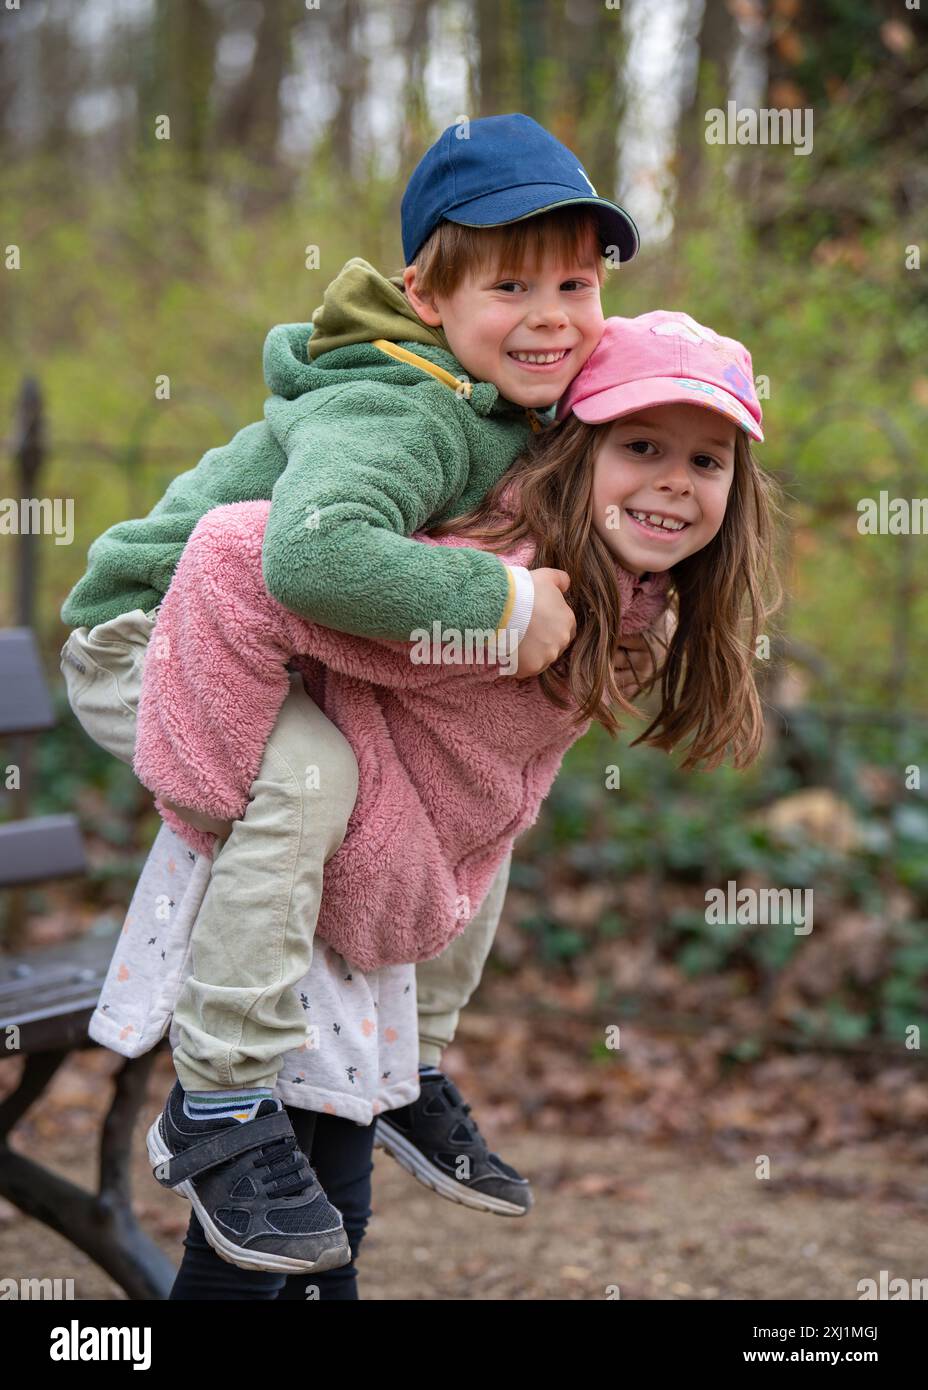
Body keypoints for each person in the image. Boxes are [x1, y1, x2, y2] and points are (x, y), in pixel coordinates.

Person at [62, 113, 669, 1270]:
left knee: (471, 796)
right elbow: (308, 558)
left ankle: (412, 1066)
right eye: (509, 285)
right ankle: (222, 1100)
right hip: (152, 632)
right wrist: (499, 606)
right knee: (310, 774)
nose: (550, 316)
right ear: (428, 297)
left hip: (277, 648)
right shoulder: (397, 406)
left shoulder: (515, 393)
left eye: (577, 284)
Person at [124, 310, 782, 1295]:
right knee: (260, 1226)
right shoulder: (496, 571)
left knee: (328, 1213)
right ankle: (226, 1109)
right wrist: (214, 799)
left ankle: (410, 1073)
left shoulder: (633, 595)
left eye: (706, 461)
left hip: (373, 900)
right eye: (641, 446)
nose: (675, 481)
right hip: (288, 897)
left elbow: (491, 778)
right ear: (576, 452)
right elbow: (266, 577)